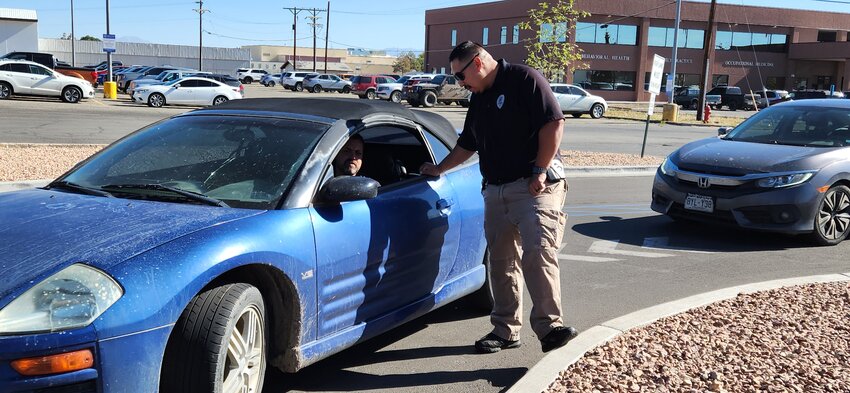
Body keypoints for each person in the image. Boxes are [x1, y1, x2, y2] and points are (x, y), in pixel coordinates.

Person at [420, 41, 577, 353]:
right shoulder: (479, 98)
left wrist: (540, 169)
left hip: (535, 187)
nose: (459, 83)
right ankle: (505, 331)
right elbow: (468, 143)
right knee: (502, 262)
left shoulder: (524, 79)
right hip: (495, 189)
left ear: (477, 63)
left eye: (459, 76)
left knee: (538, 252)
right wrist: (439, 168)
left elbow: (553, 123)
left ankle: (550, 328)